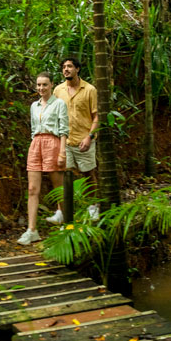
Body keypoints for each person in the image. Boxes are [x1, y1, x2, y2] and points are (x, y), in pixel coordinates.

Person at [18, 72, 69, 245]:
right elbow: (34, 128)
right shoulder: (34, 105)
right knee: (32, 188)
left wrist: (62, 152)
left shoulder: (59, 104)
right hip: (36, 143)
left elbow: (63, 130)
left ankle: (65, 222)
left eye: (45, 85)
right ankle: (32, 230)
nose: (41, 88)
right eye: (39, 85)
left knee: (57, 186)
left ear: (52, 85)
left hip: (53, 143)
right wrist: (35, 144)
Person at [48, 57, 99, 223]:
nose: (66, 69)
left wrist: (89, 137)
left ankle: (92, 207)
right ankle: (62, 211)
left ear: (77, 69)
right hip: (64, 141)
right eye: (64, 67)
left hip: (84, 140)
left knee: (88, 174)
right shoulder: (58, 90)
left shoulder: (90, 89)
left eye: (69, 66)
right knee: (64, 176)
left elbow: (96, 116)